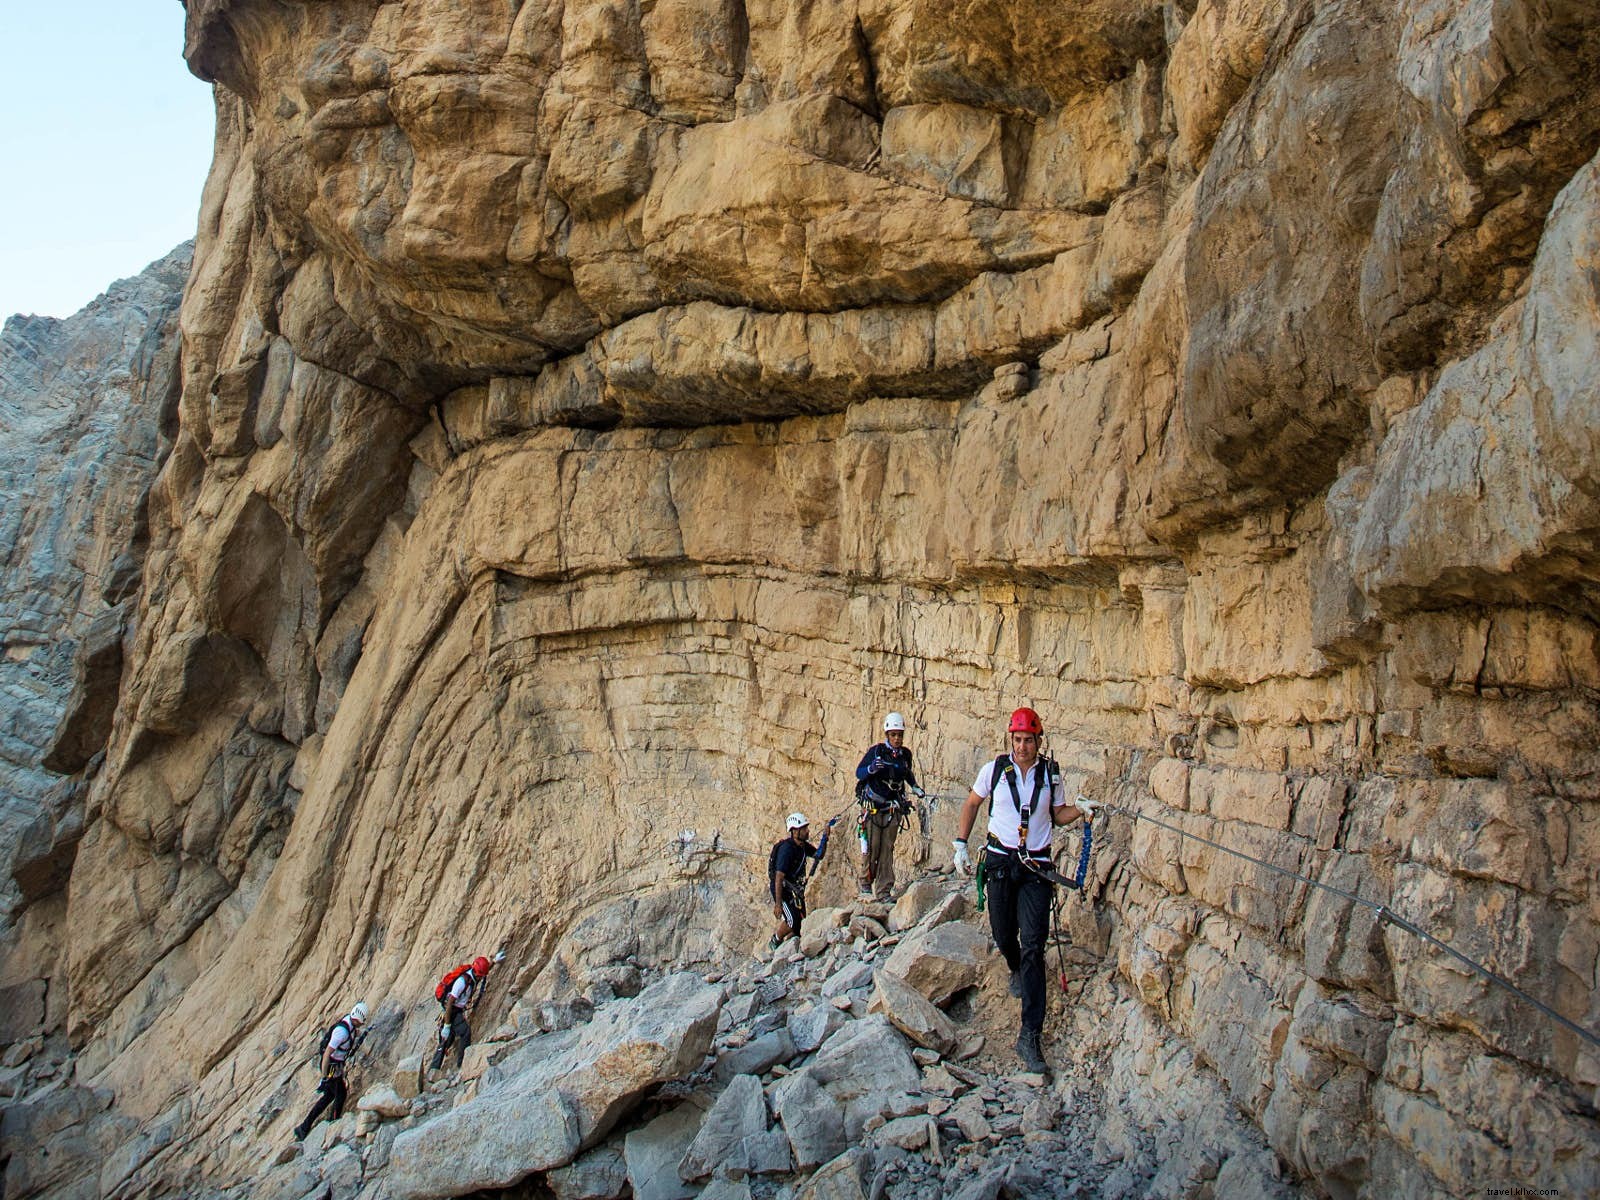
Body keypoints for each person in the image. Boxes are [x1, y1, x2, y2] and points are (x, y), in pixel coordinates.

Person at [952, 707, 1097, 1074]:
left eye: (1028, 740)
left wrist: (1078, 810)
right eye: (1017, 739)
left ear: (1038, 741)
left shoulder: (1050, 773)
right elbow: (972, 803)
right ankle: (1014, 967)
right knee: (1003, 933)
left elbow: (1057, 814)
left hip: (1036, 868)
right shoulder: (995, 770)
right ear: (1010, 740)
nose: (1022, 746)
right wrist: (959, 844)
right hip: (1000, 862)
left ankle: (1030, 1034)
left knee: (1034, 944)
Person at [854, 712, 923, 901]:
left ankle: (884, 890)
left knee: (887, 849)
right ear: (887, 734)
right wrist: (870, 769)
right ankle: (866, 885)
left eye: (900, 734)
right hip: (873, 806)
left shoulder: (905, 755)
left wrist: (915, 787)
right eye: (893, 735)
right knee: (872, 846)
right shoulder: (876, 752)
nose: (897, 738)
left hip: (893, 807)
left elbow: (907, 773)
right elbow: (859, 773)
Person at [293, 1001, 368, 1140]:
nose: (362, 1024)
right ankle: (333, 1123)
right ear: (357, 1018)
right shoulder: (341, 1032)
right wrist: (324, 1077)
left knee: (329, 1096)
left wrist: (363, 1033)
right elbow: (327, 1054)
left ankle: (304, 1127)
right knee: (340, 1093)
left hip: (334, 1065)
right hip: (331, 1067)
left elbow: (354, 1033)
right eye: (362, 1021)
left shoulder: (350, 1024)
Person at [769, 812, 831, 949]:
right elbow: (779, 877)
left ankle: (791, 945)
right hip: (782, 889)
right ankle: (776, 940)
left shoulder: (802, 846)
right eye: (804, 829)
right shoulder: (787, 849)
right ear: (795, 831)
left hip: (794, 888)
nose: (807, 831)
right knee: (792, 920)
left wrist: (825, 838)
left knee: (800, 923)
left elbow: (818, 855)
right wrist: (778, 904)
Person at [431, 955, 493, 1072]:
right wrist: (447, 1025)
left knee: (447, 1040)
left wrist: (493, 962)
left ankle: (434, 1069)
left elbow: (484, 971)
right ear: (477, 973)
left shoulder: (473, 975)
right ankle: (463, 1064)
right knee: (465, 1032)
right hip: (452, 1010)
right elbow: (450, 1003)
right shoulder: (462, 982)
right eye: (480, 975)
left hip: (456, 1009)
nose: (481, 978)